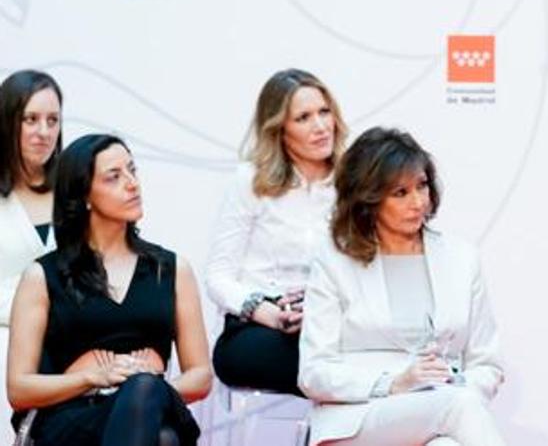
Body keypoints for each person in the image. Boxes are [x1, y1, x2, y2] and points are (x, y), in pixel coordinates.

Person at [299, 127, 505, 446]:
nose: (418, 202)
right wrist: (393, 382)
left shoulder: (462, 258)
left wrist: (457, 380)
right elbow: (314, 372)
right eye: (400, 193)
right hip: (358, 418)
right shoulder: (334, 262)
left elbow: (487, 364)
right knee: (457, 405)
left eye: (422, 186)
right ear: (368, 198)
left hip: (439, 407)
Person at [5, 134, 212, 445]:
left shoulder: (171, 269)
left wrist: (141, 387)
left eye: (132, 170)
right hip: (71, 417)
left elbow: (201, 376)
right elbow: (19, 390)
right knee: (163, 437)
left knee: (147, 397)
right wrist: (93, 378)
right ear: (84, 195)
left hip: (152, 406)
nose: (132, 184)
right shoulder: (42, 276)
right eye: (114, 177)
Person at [204, 68, 346, 395]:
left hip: (329, 325)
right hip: (257, 328)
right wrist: (264, 311)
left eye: (325, 112)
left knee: (349, 357)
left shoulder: (350, 184)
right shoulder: (251, 181)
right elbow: (218, 275)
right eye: (304, 118)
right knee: (335, 368)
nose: (321, 126)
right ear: (279, 129)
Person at [0, 70, 63, 436]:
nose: (44, 132)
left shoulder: (75, 195)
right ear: (9, 122)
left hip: (64, 341)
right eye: (31, 119)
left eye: (52, 120)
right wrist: (33, 312)